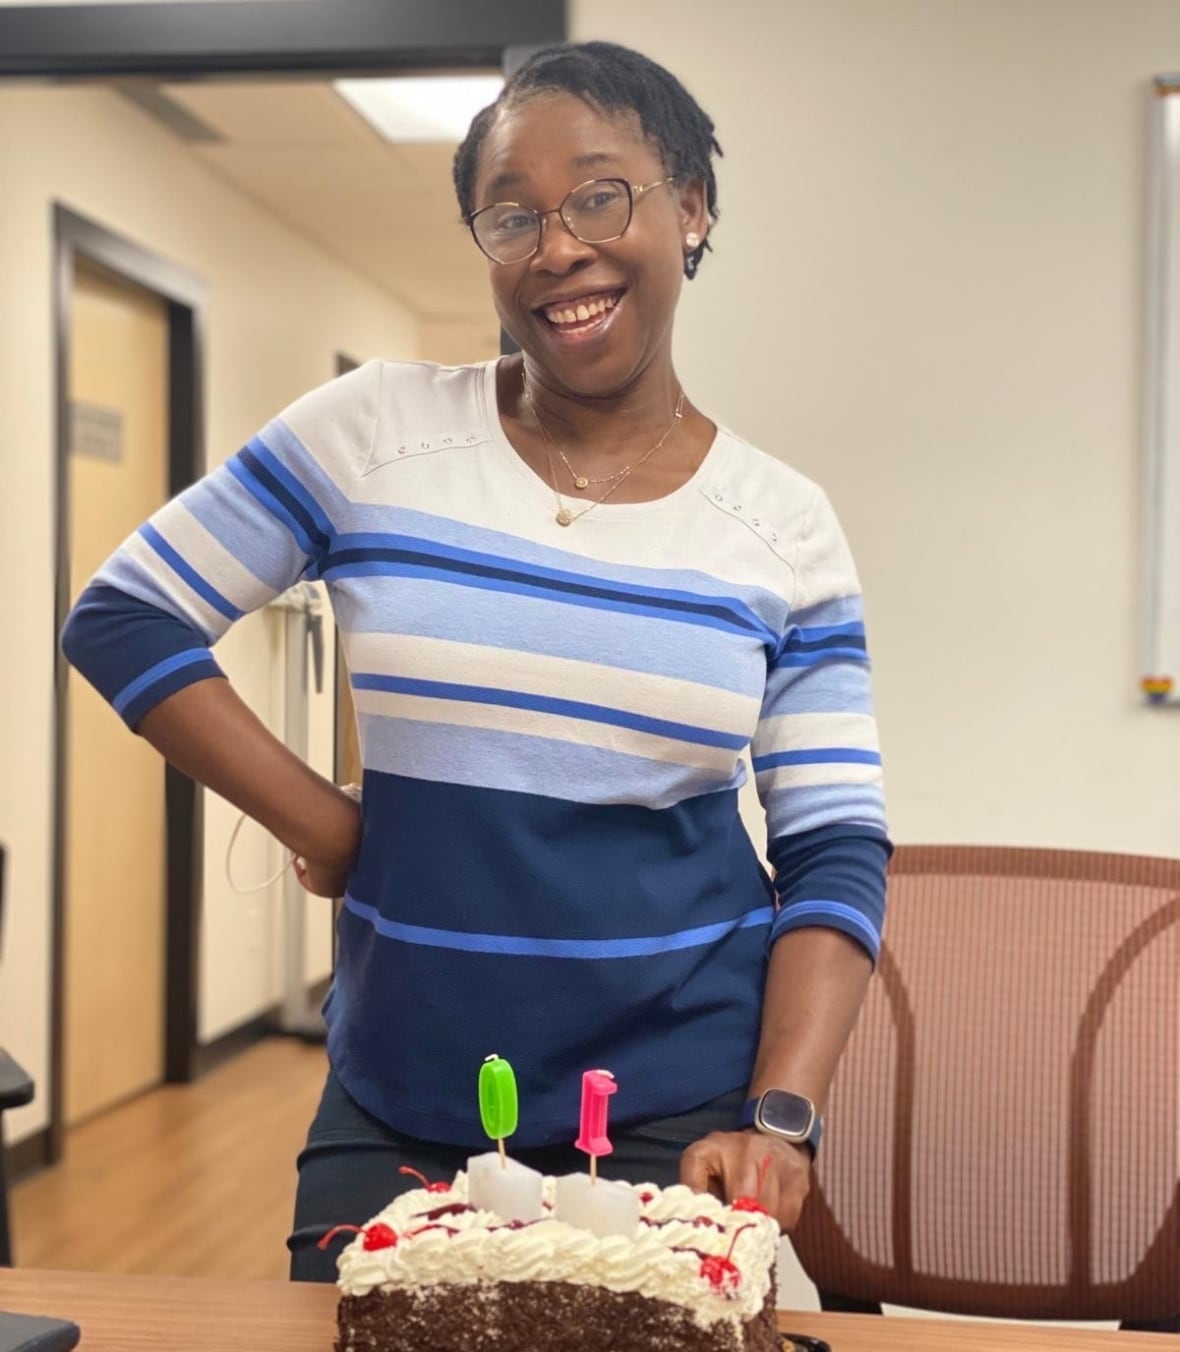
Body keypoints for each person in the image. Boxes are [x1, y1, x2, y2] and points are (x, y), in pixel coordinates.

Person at [61, 40, 890, 1282]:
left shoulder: (782, 524)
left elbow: (833, 846)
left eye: (599, 194)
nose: (557, 247)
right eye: (512, 217)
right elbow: (124, 614)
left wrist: (779, 1112)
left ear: (692, 208)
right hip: (405, 1094)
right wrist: (332, 828)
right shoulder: (374, 433)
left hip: (675, 1110)